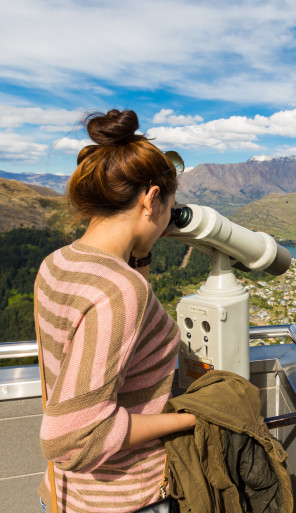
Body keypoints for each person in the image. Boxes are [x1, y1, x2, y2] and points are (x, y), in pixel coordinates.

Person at [35, 109, 195, 512]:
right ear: (151, 198)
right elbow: (70, 439)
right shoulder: (119, 290)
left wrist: (140, 255)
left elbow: (112, 343)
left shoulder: (58, 263)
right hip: (124, 499)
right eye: (169, 207)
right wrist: (191, 418)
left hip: (66, 495)